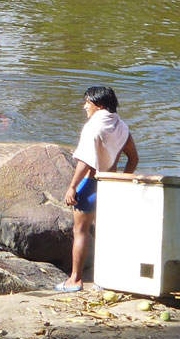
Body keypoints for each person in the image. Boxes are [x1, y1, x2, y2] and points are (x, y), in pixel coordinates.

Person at [58, 84, 138, 292]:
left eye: (87, 103)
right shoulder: (121, 126)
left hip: (92, 185)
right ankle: (107, 279)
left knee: (81, 231)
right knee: (109, 233)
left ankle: (75, 280)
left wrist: (72, 187)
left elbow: (85, 161)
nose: (85, 107)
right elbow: (133, 158)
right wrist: (123, 180)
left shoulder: (93, 126)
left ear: (98, 105)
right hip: (112, 185)